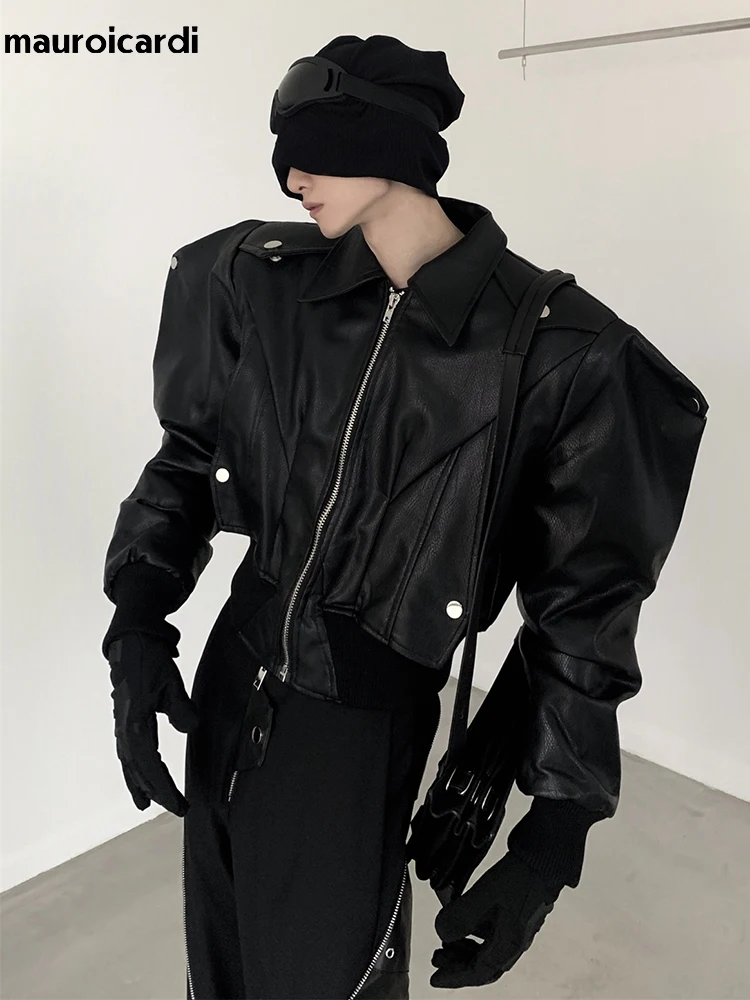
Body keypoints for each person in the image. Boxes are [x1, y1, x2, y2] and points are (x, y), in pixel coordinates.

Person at [100, 33, 709, 1000]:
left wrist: (553, 836)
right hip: (229, 682)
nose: (291, 177)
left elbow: (586, 613)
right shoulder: (260, 281)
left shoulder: (563, 352)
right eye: (283, 153)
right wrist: (137, 626)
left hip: (355, 734)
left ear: (392, 147)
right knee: (217, 971)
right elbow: (187, 458)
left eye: (316, 148)